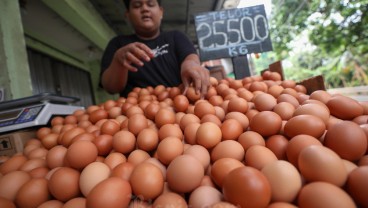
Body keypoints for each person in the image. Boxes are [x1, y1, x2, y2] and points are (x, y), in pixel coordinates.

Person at [100, 0, 210, 98]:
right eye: (137, 5)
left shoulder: (176, 37)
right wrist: (118, 62)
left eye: (151, 4)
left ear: (161, 12)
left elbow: (189, 56)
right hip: (135, 112)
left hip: (178, 105)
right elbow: (111, 88)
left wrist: (190, 64)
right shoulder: (118, 44)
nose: (145, 9)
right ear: (127, 15)